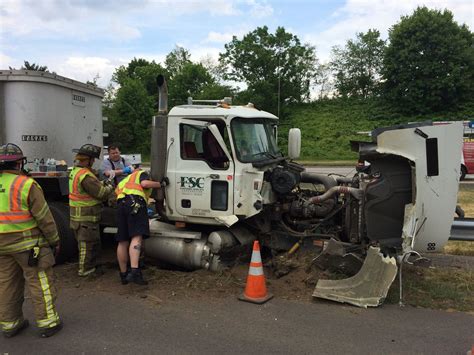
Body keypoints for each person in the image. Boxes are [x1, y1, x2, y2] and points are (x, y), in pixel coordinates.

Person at [0, 143, 62, 338]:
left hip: (2, 247)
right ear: (19, 163)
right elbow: (44, 216)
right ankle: (48, 322)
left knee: (7, 284)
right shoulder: (26, 184)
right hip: (28, 245)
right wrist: (54, 240)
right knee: (40, 280)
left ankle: (10, 324)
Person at [69, 144, 115, 277]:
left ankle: (91, 267)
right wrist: (110, 186)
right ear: (88, 159)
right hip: (85, 216)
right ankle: (85, 271)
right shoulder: (85, 175)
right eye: (93, 159)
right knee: (87, 245)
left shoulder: (75, 171)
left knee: (91, 243)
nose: (94, 162)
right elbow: (101, 194)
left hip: (80, 215)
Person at [115, 169, 162, 285]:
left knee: (123, 241)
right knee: (137, 236)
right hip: (135, 204)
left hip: (121, 206)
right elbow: (144, 184)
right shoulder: (142, 173)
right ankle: (135, 272)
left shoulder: (123, 181)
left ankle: (123, 274)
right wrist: (160, 184)